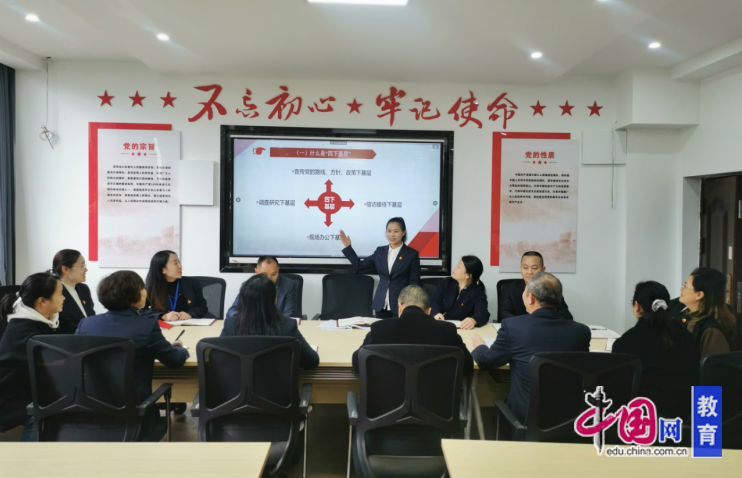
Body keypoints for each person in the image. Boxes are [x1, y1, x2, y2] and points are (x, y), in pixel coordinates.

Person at [76, 271, 189, 440]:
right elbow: (174, 361)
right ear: (136, 295)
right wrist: (180, 348)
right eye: (143, 288)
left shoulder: (86, 324)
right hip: (136, 413)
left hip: (92, 410)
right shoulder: (146, 326)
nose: (146, 291)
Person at [471, 272, 590, 423]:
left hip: (525, 417)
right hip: (571, 417)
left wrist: (480, 346)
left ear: (531, 298)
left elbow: (486, 361)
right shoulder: (581, 332)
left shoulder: (513, 327)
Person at [613, 281, 700, 419]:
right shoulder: (687, 336)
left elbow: (619, 389)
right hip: (685, 417)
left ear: (637, 306)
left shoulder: (625, 342)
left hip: (644, 419)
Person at [352, 285, 473, 375]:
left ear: (400, 307)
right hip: (436, 400)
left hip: (388, 400)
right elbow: (467, 367)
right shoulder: (447, 330)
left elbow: (357, 364)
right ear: (429, 311)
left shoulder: (379, 329)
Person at [0, 272, 64, 440]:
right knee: (41, 417)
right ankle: (29, 455)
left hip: (31, 388)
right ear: (42, 301)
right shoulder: (23, 330)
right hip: (11, 395)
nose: (64, 298)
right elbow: (53, 360)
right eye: (60, 294)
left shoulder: (43, 321)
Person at [222, 274, 318, 370]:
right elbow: (312, 362)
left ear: (242, 299)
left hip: (239, 379)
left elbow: (218, 358)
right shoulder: (287, 325)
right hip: (279, 379)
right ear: (275, 299)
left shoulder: (230, 325)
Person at [340, 217, 421, 318]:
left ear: (403, 232)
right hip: (380, 305)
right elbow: (360, 266)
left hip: (401, 305)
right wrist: (348, 247)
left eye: (396, 231)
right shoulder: (380, 251)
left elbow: (414, 283)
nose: (391, 234)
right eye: (389, 231)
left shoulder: (411, 254)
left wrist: (411, 305)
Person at [679, 267, 739, 357]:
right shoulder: (690, 318)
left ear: (699, 295)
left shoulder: (711, 331)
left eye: (685, 286)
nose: (681, 289)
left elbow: (714, 365)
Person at [498, 251, 573, 321]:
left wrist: (541, 323)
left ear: (543, 269)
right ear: (521, 268)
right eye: (525, 268)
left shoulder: (550, 288)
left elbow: (566, 315)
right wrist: (525, 323)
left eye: (534, 268)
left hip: (544, 327)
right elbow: (504, 313)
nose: (529, 272)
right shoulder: (508, 288)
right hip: (518, 328)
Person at [144, 250, 210, 320]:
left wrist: (190, 314)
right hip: (164, 326)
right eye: (175, 263)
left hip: (189, 324)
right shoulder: (150, 287)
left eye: (179, 262)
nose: (180, 266)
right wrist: (162, 316)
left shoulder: (192, 283)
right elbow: (141, 311)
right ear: (163, 270)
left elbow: (202, 307)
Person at [226, 256, 296, 320]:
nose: (269, 278)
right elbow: (232, 311)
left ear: (278, 270)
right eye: (264, 275)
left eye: (274, 274)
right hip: (253, 325)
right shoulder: (247, 286)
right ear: (256, 272)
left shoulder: (288, 285)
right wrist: (247, 319)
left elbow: (288, 314)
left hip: (276, 326)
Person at [430, 255, 489, 329]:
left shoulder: (477, 293)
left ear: (467, 275)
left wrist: (474, 320)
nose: (454, 268)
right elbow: (433, 301)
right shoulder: (446, 283)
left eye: (458, 266)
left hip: (460, 329)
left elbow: (483, 313)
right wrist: (436, 313)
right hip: (438, 326)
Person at [51, 249, 96, 334]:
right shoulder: (54, 292)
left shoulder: (83, 289)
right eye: (82, 266)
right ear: (65, 269)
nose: (86, 269)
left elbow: (91, 317)